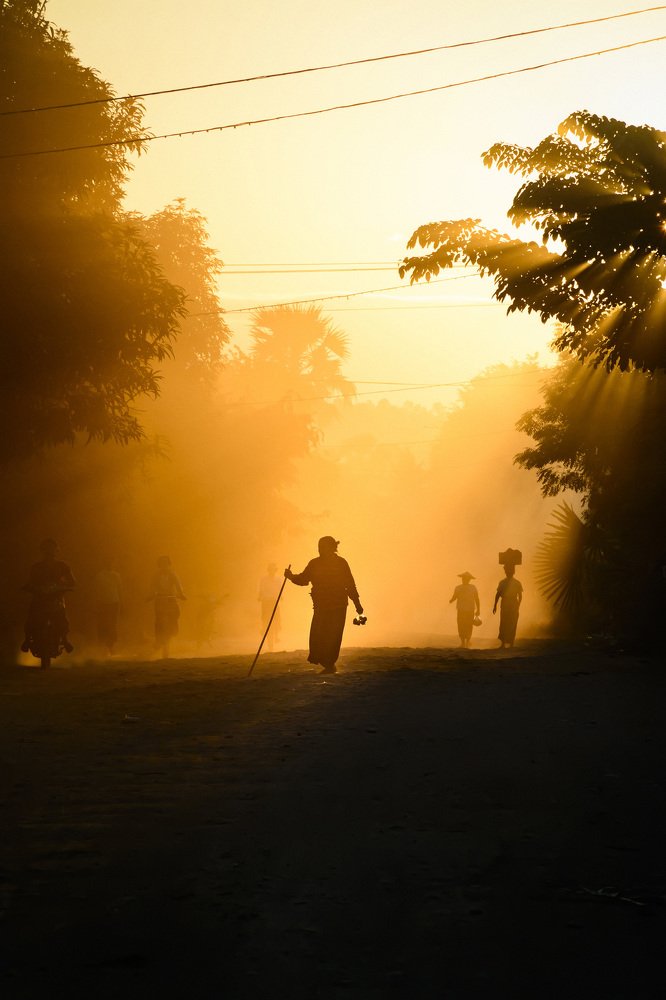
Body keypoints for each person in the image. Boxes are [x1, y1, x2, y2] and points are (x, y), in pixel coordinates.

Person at [284, 536, 363, 674]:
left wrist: (357, 604)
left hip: (338, 605)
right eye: (319, 547)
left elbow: (350, 584)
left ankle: (330, 664)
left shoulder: (341, 563)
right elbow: (303, 580)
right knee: (318, 635)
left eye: (323, 547)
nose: (320, 550)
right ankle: (326, 663)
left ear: (332, 548)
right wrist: (291, 576)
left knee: (334, 636)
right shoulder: (314, 564)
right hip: (321, 606)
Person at [21, 538, 76, 653]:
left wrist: (64, 587)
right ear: (42, 551)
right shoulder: (36, 567)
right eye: (47, 550)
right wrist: (30, 587)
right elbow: (30, 582)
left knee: (62, 619)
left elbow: (72, 581)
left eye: (51, 550)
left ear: (56, 551)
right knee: (31, 618)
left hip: (56, 598)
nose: (49, 553)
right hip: (39, 598)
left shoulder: (63, 566)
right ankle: (27, 639)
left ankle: (65, 640)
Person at [149, 555, 186, 657]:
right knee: (159, 621)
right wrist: (151, 595)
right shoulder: (155, 575)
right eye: (162, 563)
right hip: (160, 599)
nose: (164, 565)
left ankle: (171, 635)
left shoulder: (173, 574)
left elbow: (178, 585)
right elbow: (152, 587)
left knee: (175, 616)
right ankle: (159, 641)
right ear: (159, 565)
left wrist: (181, 594)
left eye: (166, 563)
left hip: (171, 599)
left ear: (169, 564)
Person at [94, 561, 123, 654]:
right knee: (103, 624)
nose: (112, 565)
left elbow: (119, 589)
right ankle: (103, 646)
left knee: (113, 625)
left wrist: (122, 602)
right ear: (105, 564)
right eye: (110, 563)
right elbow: (97, 590)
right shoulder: (100, 575)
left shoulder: (117, 575)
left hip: (115, 602)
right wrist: (97, 603)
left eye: (113, 563)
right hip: (103, 602)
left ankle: (111, 646)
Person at [493, 564, 523, 648]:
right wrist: (494, 605)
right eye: (507, 571)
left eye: (509, 571)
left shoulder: (516, 583)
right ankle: (504, 643)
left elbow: (520, 596)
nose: (508, 573)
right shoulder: (503, 582)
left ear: (512, 572)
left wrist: (518, 605)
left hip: (512, 603)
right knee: (504, 623)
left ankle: (510, 643)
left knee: (512, 623)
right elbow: (498, 594)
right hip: (507, 603)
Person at [449, 571, 480, 649]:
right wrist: (451, 600)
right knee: (462, 626)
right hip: (462, 609)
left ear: (469, 579)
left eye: (466, 578)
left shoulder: (472, 587)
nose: (464, 579)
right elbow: (455, 596)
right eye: (464, 578)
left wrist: (478, 609)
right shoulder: (459, 588)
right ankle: (463, 642)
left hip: (469, 610)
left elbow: (476, 599)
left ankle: (466, 642)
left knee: (467, 626)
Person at [258, 563, 282, 651]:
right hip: (266, 601)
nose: (272, 571)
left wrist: (281, 597)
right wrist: (260, 596)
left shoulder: (278, 579)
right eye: (271, 570)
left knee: (277, 618)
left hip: (275, 601)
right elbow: (261, 589)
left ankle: (277, 634)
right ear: (268, 570)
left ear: (275, 570)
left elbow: (280, 590)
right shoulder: (264, 580)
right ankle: (263, 628)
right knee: (264, 618)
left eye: (274, 570)